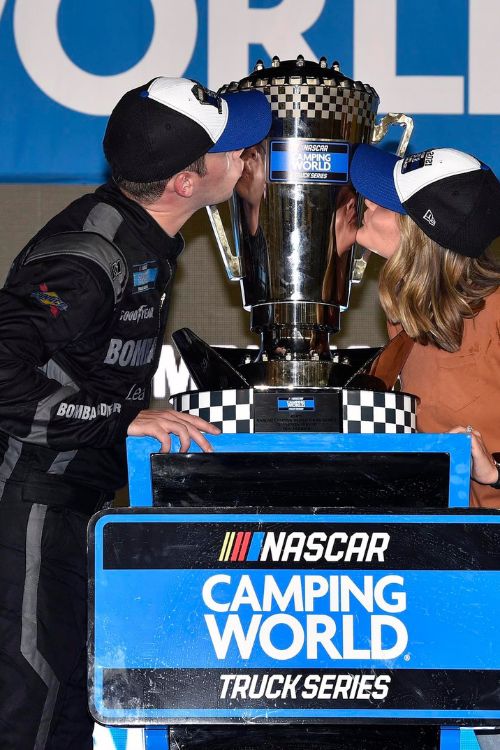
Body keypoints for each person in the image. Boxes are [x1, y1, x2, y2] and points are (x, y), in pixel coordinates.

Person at [0, 76, 271, 749]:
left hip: (74, 500)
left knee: (69, 697)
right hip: (27, 505)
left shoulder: (141, 236)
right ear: (185, 180)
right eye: (229, 149)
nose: (242, 158)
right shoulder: (87, 260)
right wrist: (122, 421)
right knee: (28, 696)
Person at [350, 144, 500, 508]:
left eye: (385, 203)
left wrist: (494, 471)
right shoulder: (409, 311)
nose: (367, 203)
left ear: (423, 237)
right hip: (447, 541)